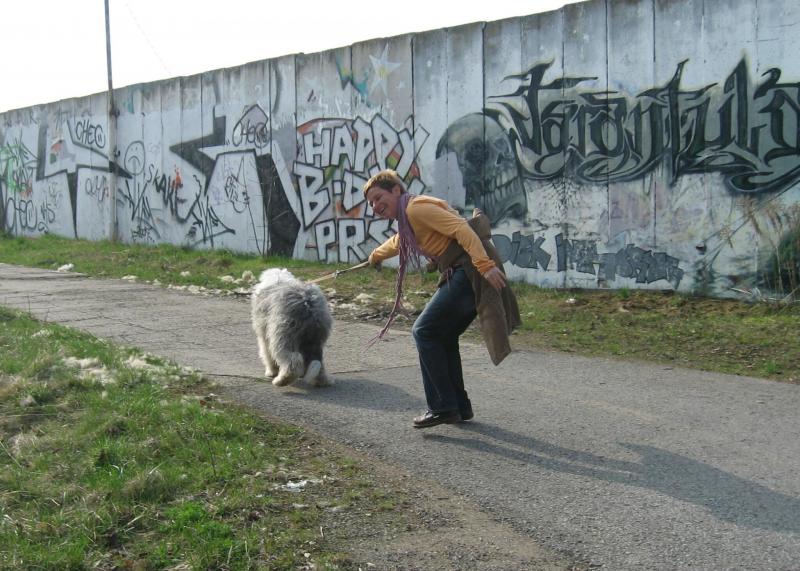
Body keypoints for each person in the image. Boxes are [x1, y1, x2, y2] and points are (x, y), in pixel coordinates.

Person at [363, 169, 521, 429]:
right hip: (462, 271)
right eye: (371, 203)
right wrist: (376, 255)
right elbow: (400, 241)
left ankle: (442, 407)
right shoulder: (409, 216)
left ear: (396, 190)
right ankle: (458, 405)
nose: (375, 206)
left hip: (467, 270)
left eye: (379, 198)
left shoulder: (415, 209)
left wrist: (485, 266)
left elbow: (460, 228)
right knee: (443, 336)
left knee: (424, 331)